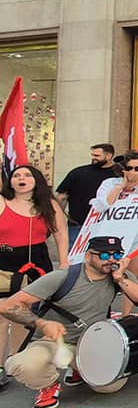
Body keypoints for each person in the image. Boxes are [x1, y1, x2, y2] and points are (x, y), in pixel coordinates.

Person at [1, 236, 138, 408]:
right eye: (104, 256)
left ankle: (79, 369)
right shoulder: (63, 276)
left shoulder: (118, 274)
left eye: (117, 255)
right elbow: (8, 306)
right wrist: (41, 323)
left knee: (109, 386)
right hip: (54, 341)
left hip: (92, 340)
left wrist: (119, 278)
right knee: (23, 365)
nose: (111, 260)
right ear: (88, 256)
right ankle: (49, 384)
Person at [0, 166, 70, 388]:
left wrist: (64, 265)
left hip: (36, 262)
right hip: (5, 261)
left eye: (27, 175)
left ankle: (16, 359)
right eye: (17, 175)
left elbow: (61, 236)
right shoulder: (2, 202)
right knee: (2, 313)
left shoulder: (49, 205)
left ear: (36, 180)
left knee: (25, 314)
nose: (21, 178)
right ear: (10, 182)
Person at [92, 151, 138, 316]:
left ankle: (126, 315)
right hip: (112, 236)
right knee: (105, 276)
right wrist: (121, 187)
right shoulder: (110, 183)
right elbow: (102, 205)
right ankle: (102, 311)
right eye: (129, 168)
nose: (133, 171)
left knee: (132, 276)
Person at [55, 143, 116, 247]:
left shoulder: (119, 174)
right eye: (92, 155)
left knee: (103, 259)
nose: (93, 158)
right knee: (74, 259)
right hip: (78, 224)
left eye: (97, 156)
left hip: (107, 225)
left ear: (109, 156)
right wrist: (61, 218)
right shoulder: (78, 173)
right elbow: (61, 197)